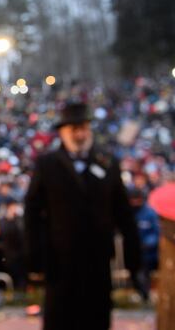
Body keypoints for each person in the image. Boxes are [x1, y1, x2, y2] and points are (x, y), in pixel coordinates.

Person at [24, 102, 141, 330]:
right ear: (62, 132)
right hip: (60, 261)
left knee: (96, 318)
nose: (79, 133)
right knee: (61, 319)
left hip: (97, 260)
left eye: (83, 127)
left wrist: (133, 260)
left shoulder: (107, 163)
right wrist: (35, 258)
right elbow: (32, 213)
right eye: (73, 128)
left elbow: (124, 213)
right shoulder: (47, 164)